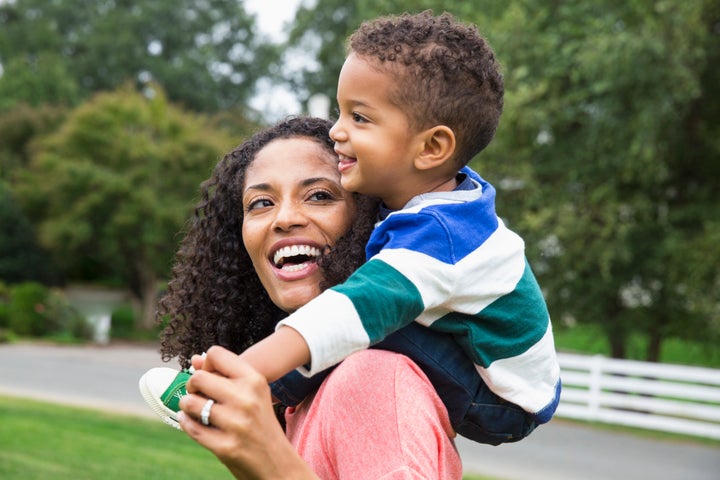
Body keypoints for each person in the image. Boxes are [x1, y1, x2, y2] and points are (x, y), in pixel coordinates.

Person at [143, 10, 561, 445]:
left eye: (359, 118)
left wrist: (244, 365)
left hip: (502, 403)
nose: (337, 132)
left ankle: (234, 394)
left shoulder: (442, 240)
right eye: (341, 113)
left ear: (433, 147)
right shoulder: (436, 195)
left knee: (365, 322)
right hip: (476, 364)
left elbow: (346, 312)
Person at [151, 116, 463, 478]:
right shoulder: (303, 399)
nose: (284, 218)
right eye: (261, 203)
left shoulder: (372, 379)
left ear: (368, 222)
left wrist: (270, 464)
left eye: (319, 196)